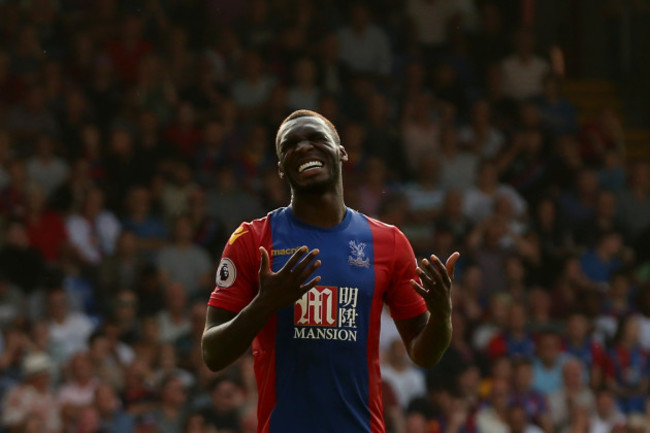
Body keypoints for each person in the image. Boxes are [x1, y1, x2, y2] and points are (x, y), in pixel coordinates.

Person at [202, 109, 459, 432]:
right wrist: (265, 303)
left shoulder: (389, 242)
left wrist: (442, 317)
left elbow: (424, 354)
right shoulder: (252, 240)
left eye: (316, 138)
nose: (304, 147)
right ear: (282, 168)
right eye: (290, 145)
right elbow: (212, 353)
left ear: (341, 151)